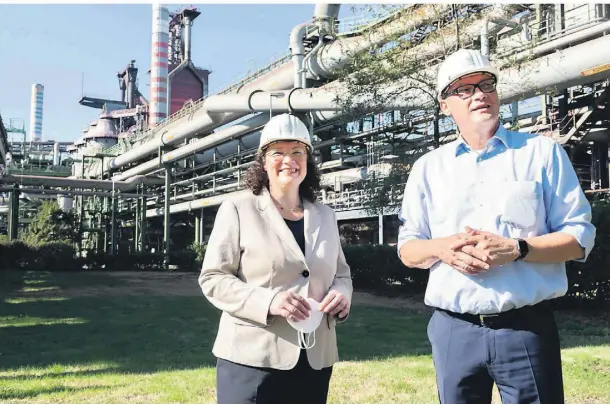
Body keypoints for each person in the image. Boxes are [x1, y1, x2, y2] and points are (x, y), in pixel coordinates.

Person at [397, 49, 596, 404]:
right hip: (454, 331)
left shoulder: (541, 153)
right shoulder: (428, 168)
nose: (479, 94)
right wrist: (440, 248)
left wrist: (519, 249)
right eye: (464, 89)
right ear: (445, 106)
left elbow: (579, 238)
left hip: (525, 328)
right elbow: (408, 248)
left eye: (486, 84)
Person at [199, 113, 353, 404]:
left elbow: (341, 275)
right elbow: (213, 278)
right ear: (263, 162)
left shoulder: (326, 216)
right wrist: (268, 302)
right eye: (278, 152)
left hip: (314, 360)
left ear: (308, 160)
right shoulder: (237, 208)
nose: (289, 160)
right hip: (252, 360)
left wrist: (342, 294)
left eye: (297, 152)